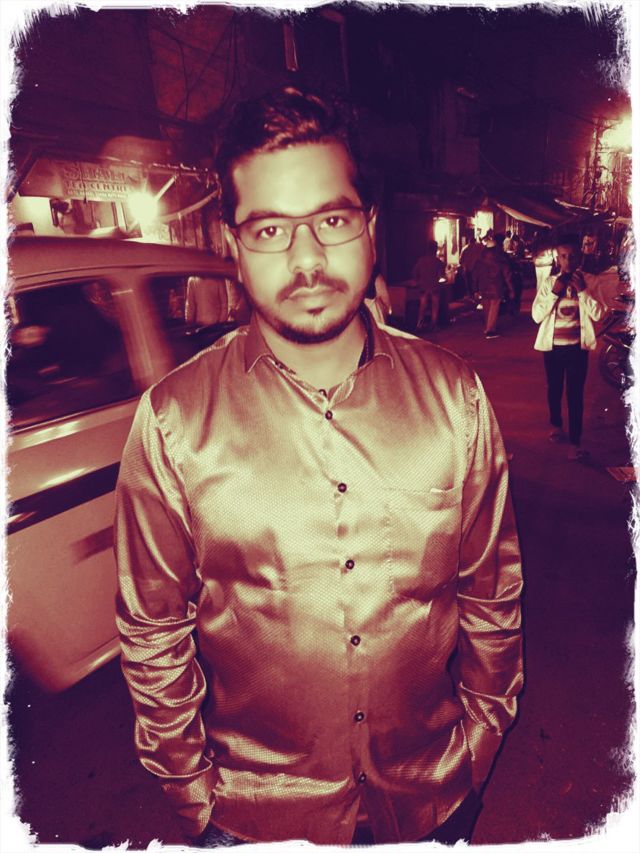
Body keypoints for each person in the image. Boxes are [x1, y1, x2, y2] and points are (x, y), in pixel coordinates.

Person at [114, 86, 524, 847]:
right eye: (271, 229)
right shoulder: (173, 422)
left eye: (331, 220)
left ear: (369, 227)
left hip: (432, 801)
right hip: (254, 817)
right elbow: (152, 627)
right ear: (234, 246)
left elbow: (491, 593)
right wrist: (195, 797)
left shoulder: (454, 399)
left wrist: (478, 746)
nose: (306, 260)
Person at [532, 234, 605, 460]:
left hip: (577, 349)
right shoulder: (549, 283)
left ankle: (575, 442)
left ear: (579, 256)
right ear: (557, 258)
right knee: (554, 389)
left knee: (575, 394)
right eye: (563, 256)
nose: (568, 261)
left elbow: (599, 314)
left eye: (572, 256)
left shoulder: (590, 281)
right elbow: (536, 315)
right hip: (553, 348)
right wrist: (554, 292)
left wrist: (583, 291)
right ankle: (556, 424)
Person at [472, 234, 515, 338]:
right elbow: (507, 275)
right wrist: (511, 289)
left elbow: (474, 276)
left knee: (486, 308)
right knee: (494, 309)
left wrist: (475, 289)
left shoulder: (479, 260)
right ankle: (490, 330)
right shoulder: (500, 259)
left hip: (483, 287)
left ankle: (488, 327)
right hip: (496, 287)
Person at [412, 238, 445, 330]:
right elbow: (442, 275)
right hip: (434, 287)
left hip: (423, 287)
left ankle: (419, 324)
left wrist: (418, 281)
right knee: (435, 307)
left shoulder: (421, 260)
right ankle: (433, 325)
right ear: (435, 249)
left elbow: (414, 272)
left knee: (422, 307)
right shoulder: (437, 261)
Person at [458, 234, 484, 299]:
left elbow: (460, 261)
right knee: (477, 284)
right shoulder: (479, 248)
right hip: (478, 269)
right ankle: (478, 297)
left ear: (469, 241)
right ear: (475, 241)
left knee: (469, 284)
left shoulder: (465, 249)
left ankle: (471, 297)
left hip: (468, 269)